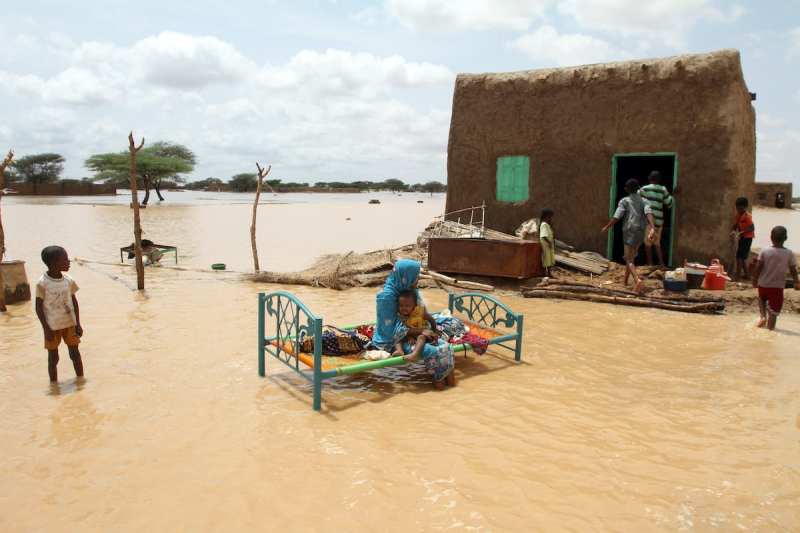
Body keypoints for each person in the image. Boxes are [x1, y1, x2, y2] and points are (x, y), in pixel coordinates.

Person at [373, 259, 455, 389]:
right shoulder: (386, 297)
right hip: (392, 340)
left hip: (413, 332)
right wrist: (420, 332)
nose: (417, 280)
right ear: (405, 277)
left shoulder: (409, 288)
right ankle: (439, 383)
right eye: (416, 277)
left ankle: (451, 384)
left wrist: (428, 329)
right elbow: (391, 331)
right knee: (432, 351)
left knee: (445, 346)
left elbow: (421, 312)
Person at [35, 246, 84, 383]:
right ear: (54, 262)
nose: (69, 262)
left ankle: (80, 382)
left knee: (75, 354)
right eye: (65, 259)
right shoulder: (42, 283)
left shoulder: (68, 280)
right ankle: (54, 384)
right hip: (52, 327)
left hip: (70, 324)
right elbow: (38, 308)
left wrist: (78, 324)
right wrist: (46, 329)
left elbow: (74, 302)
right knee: (53, 358)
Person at [601, 179, 656, 293]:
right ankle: (625, 281)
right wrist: (652, 227)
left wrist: (607, 226)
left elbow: (617, 216)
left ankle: (637, 280)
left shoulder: (624, 201)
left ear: (626, 189)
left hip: (629, 231)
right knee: (631, 257)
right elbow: (648, 213)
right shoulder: (645, 201)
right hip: (641, 231)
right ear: (638, 188)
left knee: (628, 258)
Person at [751, 226, 798, 330]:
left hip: (763, 284)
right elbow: (793, 270)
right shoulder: (789, 253)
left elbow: (758, 268)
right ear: (785, 238)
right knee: (774, 311)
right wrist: (796, 283)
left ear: (771, 237)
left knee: (761, 299)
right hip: (777, 287)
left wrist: (754, 280)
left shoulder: (764, 251)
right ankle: (770, 329)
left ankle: (763, 317)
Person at [639, 171, 673, 267]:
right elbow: (669, 204)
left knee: (647, 243)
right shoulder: (663, 189)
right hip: (659, 221)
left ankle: (650, 263)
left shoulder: (644, 189)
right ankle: (661, 263)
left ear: (649, 178)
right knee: (657, 243)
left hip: (649, 221)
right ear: (659, 180)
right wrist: (673, 196)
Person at [392, 289, 438, 360]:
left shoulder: (420, 312)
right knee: (398, 337)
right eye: (401, 305)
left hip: (424, 333)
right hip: (411, 334)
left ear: (414, 305)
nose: (404, 308)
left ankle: (415, 354)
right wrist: (409, 337)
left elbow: (431, 319)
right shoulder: (401, 317)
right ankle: (399, 351)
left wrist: (435, 331)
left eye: (407, 306)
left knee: (421, 337)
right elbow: (404, 330)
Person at [731, 197, 755, 280]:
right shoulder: (738, 215)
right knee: (743, 257)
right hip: (742, 238)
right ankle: (747, 275)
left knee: (739, 257)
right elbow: (736, 225)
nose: (738, 209)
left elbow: (752, 228)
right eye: (737, 208)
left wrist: (742, 232)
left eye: (740, 208)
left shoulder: (747, 216)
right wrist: (733, 230)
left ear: (745, 207)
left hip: (748, 238)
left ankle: (737, 276)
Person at [539, 208, 556, 277]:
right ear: (547, 216)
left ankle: (548, 273)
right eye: (550, 216)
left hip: (548, 244)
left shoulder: (547, 224)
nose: (551, 218)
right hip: (546, 244)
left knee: (549, 259)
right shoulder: (544, 225)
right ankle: (546, 273)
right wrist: (549, 243)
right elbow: (543, 236)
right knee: (546, 259)